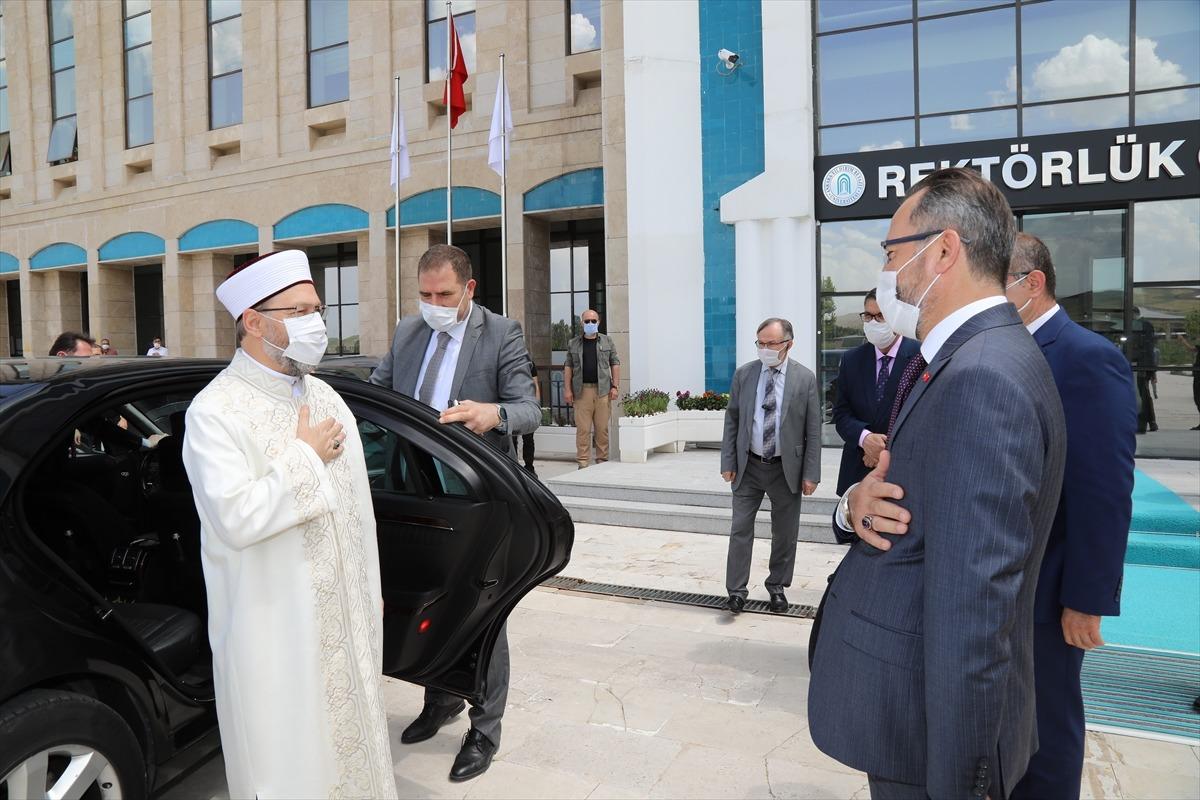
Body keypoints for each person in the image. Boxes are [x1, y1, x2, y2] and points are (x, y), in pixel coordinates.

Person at [807, 167, 1066, 800]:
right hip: (911, 719)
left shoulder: (983, 376)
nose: (887, 273)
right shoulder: (965, 357)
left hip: (930, 743)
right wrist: (852, 506)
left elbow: (976, 607)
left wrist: (963, 782)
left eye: (892, 253)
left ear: (943, 250)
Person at [181, 250, 397, 799]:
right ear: (253, 322)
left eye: (317, 309)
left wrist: (368, 587)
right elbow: (235, 517)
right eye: (298, 310)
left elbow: (357, 509)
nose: (316, 324)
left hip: (345, 620)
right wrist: (303, 459)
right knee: (287, 765)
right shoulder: (215, 413)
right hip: (274, 634)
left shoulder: (324, 394)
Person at [370, 243, 539, 782]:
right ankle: (441, 700)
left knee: (486, 611)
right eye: (424, 294)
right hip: (416, 495)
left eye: (443, 294)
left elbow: (529, 409)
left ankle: (484, 729)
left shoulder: (501, 333)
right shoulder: (407, 332)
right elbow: (377, 392)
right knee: (429, 602)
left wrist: (494, 413)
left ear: (468, 289)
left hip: (477, 498)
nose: (433, 304)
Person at [1003, 233, 1137, 800]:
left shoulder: (1086, 357)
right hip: (1001, 583)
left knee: (1046, 731)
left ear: (1033, 284)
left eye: (997, 280)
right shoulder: (1002, 348)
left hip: (1049, 591)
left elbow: (1103, 488)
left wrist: (1086, 598)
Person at [720, 317, 821, 614]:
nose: (764, 349)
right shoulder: (744, 375)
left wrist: (811, 473)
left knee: (785, 533)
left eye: (771, 343)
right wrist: (728, 461)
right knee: (740, 529)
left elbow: (813, 429)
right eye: (760, 343)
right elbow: (733, 420)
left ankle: (777, 587)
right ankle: (736, 591)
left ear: (788, 344)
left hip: (785, 468)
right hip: (748, 465)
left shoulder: (805, 378)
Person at [831, 290, 921, 496]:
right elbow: (841, 414)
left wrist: (881, 449)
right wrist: (865, 439)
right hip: (857, 470)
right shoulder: (851, 360)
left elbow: (924, 417)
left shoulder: (921, 357)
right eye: (868, 316)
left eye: (880, 316)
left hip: (902, 473)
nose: (873, 322)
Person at [563, 309, 621, 469]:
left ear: (598, 322)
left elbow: (615, 363)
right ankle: (582, 463)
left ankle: (602, 462)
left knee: (602, 430)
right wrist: (567, 390)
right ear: (581, 323)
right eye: (587, 321)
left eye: (593, 321)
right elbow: (568, 367)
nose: (590, 324)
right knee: (583, 430)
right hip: (582, 393)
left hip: (603, 391)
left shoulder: (607, 341)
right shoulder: (573, 343)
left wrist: (615, 386)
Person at [1131, 307, 1157, 433]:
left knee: (1142, 395)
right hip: (1143, 364)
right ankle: (1151, 422)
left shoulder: (1143, 326)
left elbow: (1147, 347)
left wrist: (1151, 369)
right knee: (1144, 394)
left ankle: (1143, 424)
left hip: (1141, 365)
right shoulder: (1145, 325)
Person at [513, 361, 540, 474]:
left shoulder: (530, 363)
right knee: (512, 438)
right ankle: (513, 465)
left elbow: (535, 384)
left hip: (527, 403)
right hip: (512, 403)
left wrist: (536, 404)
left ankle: (529, 467)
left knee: (528, 438)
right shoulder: (507, 361)